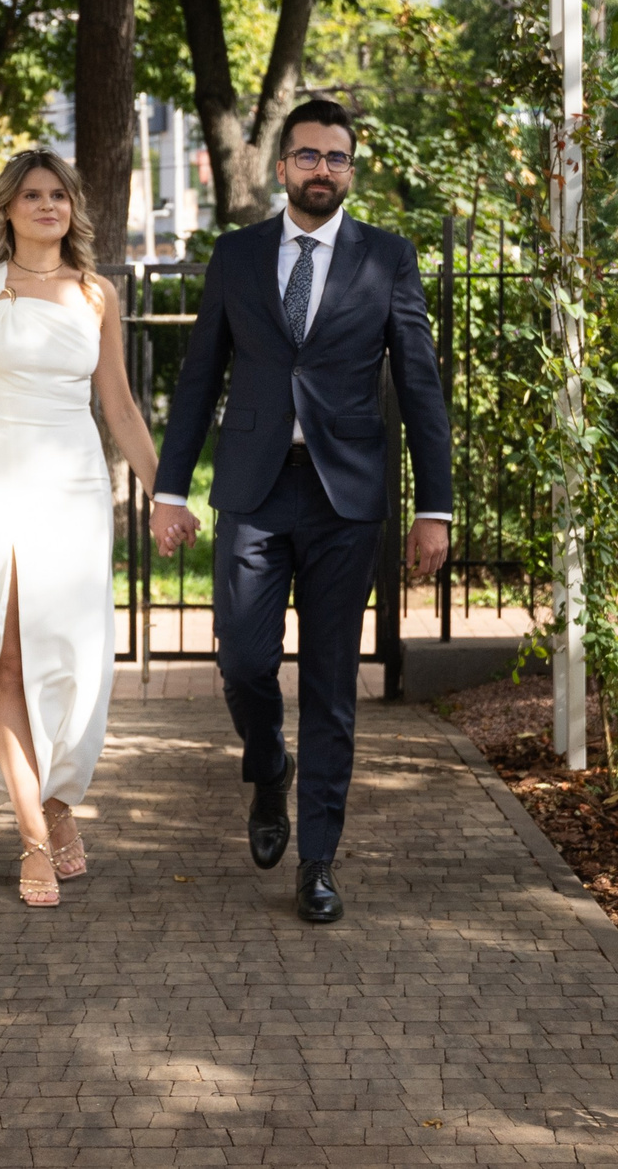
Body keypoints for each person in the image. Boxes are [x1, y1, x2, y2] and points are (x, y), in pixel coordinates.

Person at [148, 97, 453, 924]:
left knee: (329, 683)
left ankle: (317, 859)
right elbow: (200, 374)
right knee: (244, 662)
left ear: (351, 170)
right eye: (309, 155)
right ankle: (267, 760)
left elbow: (420, 387)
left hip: (343, 495)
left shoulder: (387, 257)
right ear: (282, 167)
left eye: (338, 157)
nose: (324, 168)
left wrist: (436, 506)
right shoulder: (238, 255)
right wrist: (170, 487)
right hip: (252, 486)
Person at [0, 149, 163, 907]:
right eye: (32, 194)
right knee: (5, 656)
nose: (47, 205)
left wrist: (168, 492)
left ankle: (58, 803)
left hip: (74, 484)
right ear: (7, 208)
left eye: (59, 193)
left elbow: (120, 406)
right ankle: (33, 837)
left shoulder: (97, 294)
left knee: (69, 662)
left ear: (73, 208)